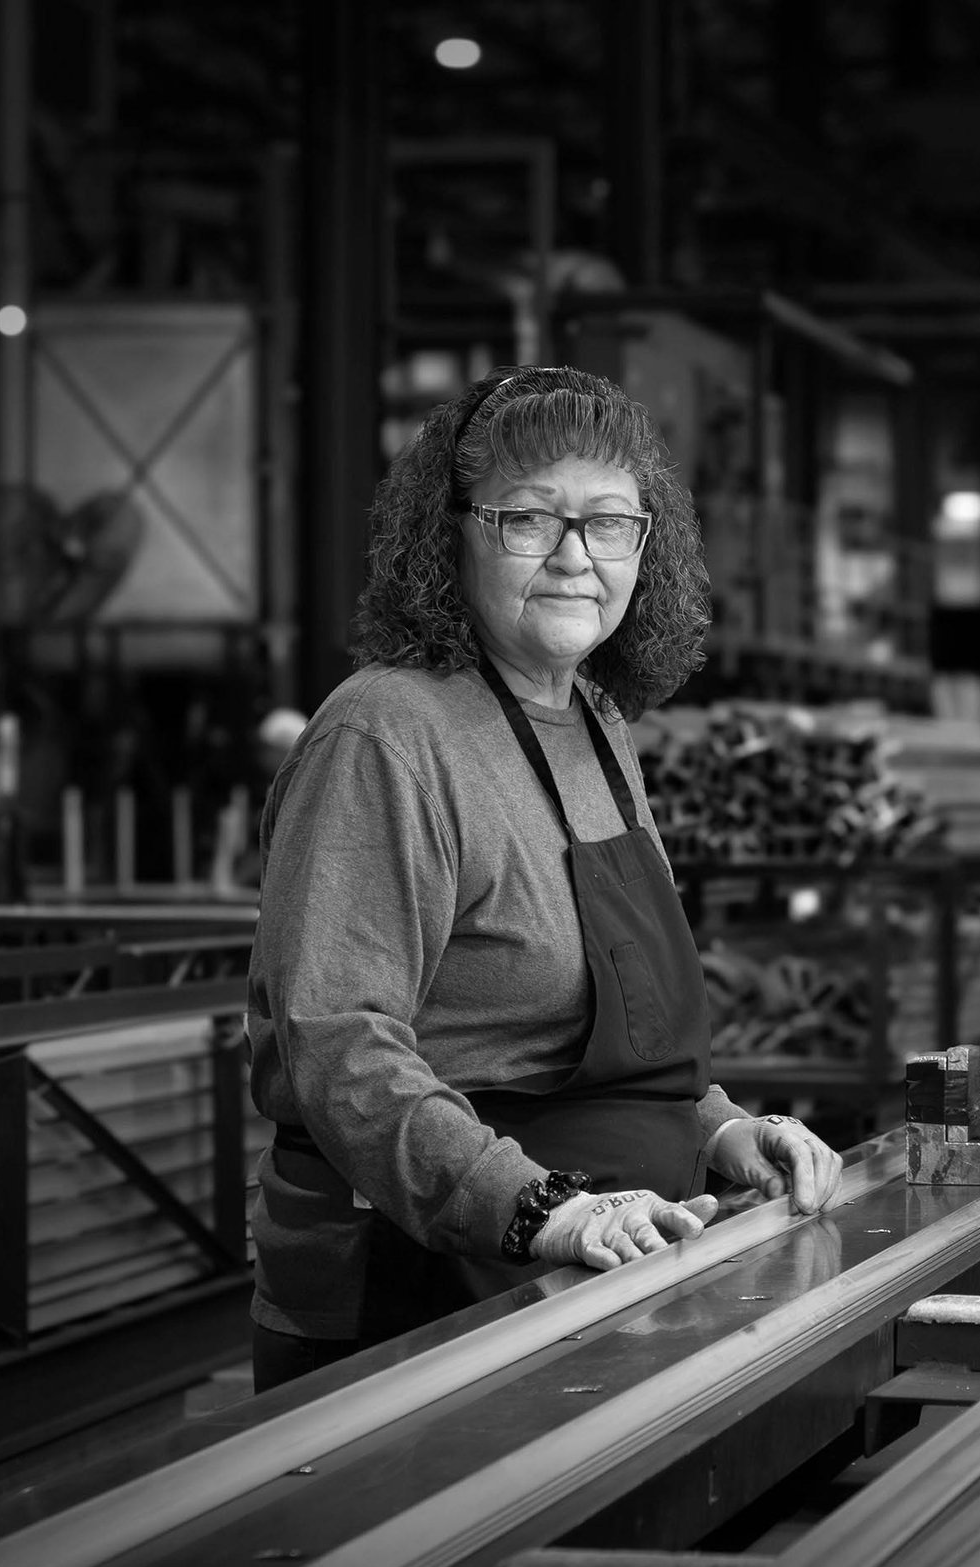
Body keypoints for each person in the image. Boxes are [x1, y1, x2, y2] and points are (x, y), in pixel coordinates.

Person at [247, 365, 843, 1392]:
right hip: (428, 1292)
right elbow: (336, 1043)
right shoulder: (387, 734)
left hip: (601, 1272)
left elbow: (607, 1052)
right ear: (453, 534)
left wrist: (721, 1130)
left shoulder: (599, 727)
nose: (576, 556)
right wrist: (541, 1210)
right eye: (529, 519)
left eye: (610, 523)